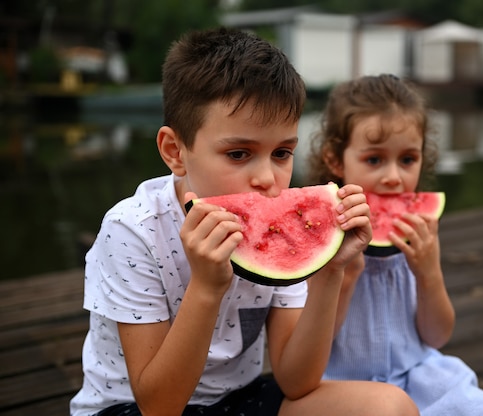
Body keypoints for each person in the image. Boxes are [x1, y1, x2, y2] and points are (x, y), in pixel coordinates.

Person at [70, 29, 420, 416]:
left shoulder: (288, 229)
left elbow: (296, 382)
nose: (268, 179)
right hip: (131, 408)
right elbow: (159, 405)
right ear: (176, 152)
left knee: (391, 407)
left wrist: (330, 272)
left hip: (239, 399)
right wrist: (205, 287)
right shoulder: (133, 230)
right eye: (239, 154)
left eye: (283, 153)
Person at [307, 74, 483, 416]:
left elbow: (437, 336)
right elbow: (315, 344)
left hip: (419, 376)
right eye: (374, 160)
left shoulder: (416, 232)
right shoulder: (320, 240)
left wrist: (428, 273)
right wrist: (343, 277)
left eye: (407, 159)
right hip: (344, 385)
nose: (394, 176)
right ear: (335, 160)